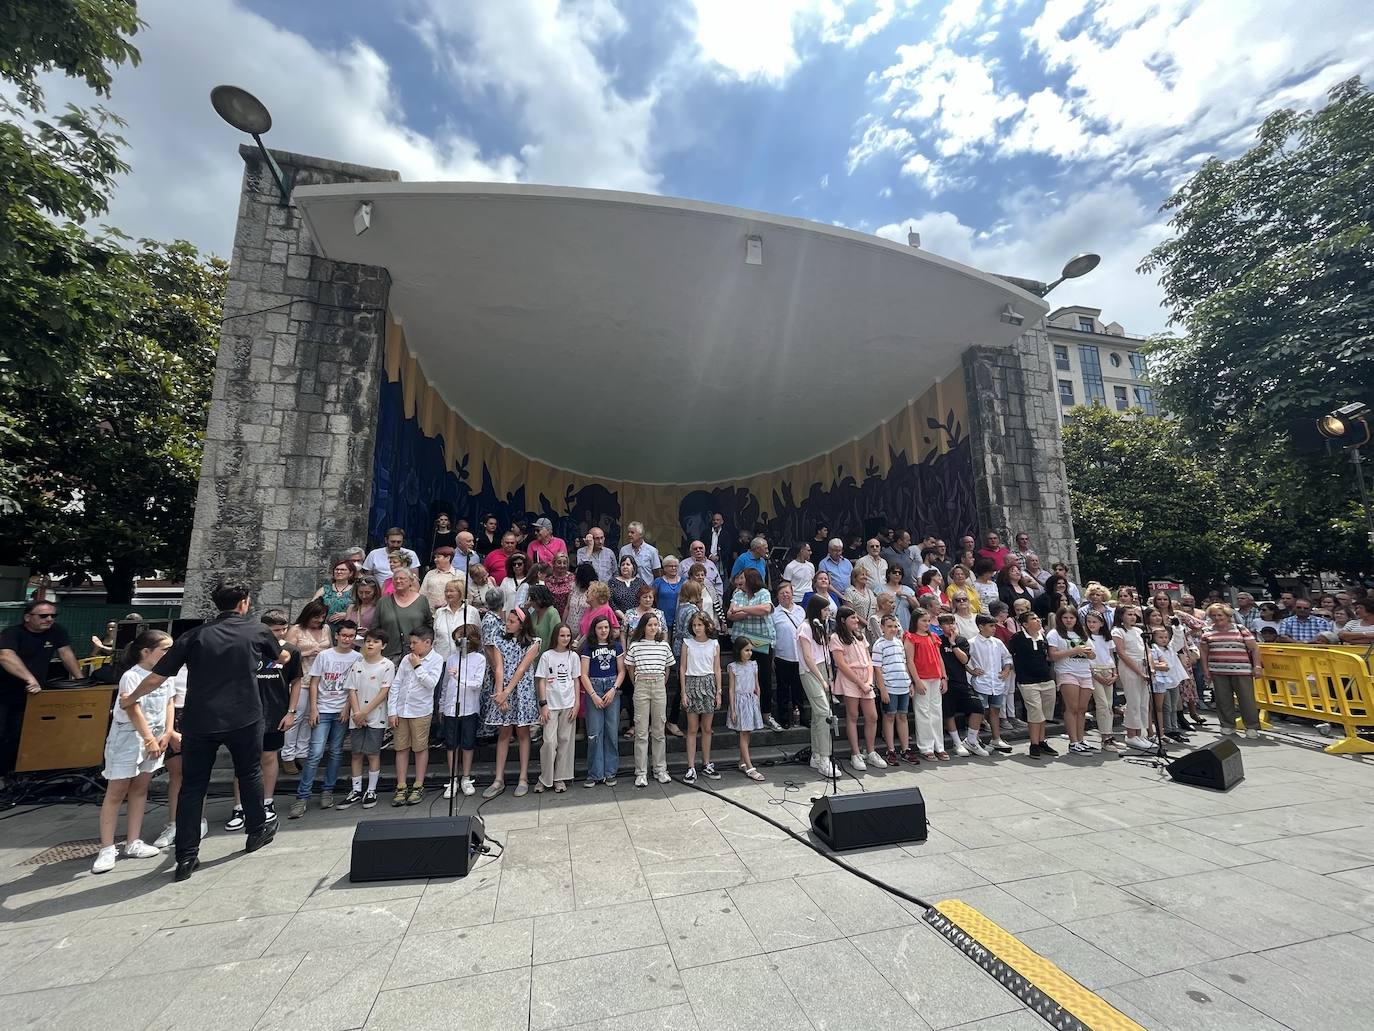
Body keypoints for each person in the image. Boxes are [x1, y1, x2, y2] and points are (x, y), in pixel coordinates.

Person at [121, 579, 286, 881]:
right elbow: (278, 656)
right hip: (244, 716)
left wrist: (132, 698)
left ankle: (186, 854)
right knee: (248, 773)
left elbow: (158, 676)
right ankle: (257, 830)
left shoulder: (194, 636)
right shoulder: (256, 631)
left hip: (201, 719)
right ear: (244, 603)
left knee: (193, 785)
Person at [93, 629, 175, 874]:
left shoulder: (166, 675)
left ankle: (133, 840)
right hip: (130, 737)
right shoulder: (131, 676)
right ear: (146, 652)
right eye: (165, 650)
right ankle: (107, 847)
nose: (169, 655)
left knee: (140, 788)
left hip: (157, 735)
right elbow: (133, 708)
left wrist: (168, 732)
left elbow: (170, 702)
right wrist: (149, 738)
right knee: (117, 790)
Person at [225, 610, 303, 831]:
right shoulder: (249, 648)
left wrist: (291, 711)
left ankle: (267, 802)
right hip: (247, 711)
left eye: (281, 629)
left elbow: (296, 682)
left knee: (269, 758)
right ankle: (239, 806)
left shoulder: (291, 651)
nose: (278, 634)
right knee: (244, 760)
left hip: (276, 711)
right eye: (273, 630)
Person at [1, 598, 83, 775]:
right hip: (4, 691)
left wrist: (80, 680)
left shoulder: (56, 631)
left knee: (19, 734)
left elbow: (65, 653)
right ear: (27, 617)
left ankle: (12, 773)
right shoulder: (12, 633)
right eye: (44, 615)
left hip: (30, 694)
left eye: (53, 615)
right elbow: (6, 656)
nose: (49, 619)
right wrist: (29, 679)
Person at [290, 622, 361, 817]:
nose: (347, 639)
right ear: (336, 636)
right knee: (315, 752)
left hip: (341, 711)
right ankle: (302, 796)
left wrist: (347, 708)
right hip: (322, 709)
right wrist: (313, 708)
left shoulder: (358, 657)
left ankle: (327, 790)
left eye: (351, 636)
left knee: (336, 751)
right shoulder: (324, 655)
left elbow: (354, 687)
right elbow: (314, 683)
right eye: (344, 635)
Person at [483, 606, 541, 798]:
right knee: (504, 732)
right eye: (507, 621)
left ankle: (523, 777)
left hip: (521, 691)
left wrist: (506, 692)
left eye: (512, 622)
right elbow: (498, 668)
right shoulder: (500, 641)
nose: (507, 624)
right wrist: (499, 693)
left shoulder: (533, 643)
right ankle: (498, 779)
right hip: (504, 691)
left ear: (522, 624)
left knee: (522, 732)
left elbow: (522, 669)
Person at [387, 626, 444, 806]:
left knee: (420, 747)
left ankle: (418, 784)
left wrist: (418, 666)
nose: (411, 646)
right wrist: (392, 710)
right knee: (401, 747)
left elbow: (431, 684)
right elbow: (396, 684)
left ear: (427, 642)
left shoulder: (436, 659)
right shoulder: (406, 659)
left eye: (414, 643)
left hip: (420, 710)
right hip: (402, 709)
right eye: (410, 642)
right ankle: (401, 785)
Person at [339, 628, 393, 808]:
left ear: (383, 645)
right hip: (357, 715)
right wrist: (356, 712)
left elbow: (383, 692)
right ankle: (356, 789)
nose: (370, 644)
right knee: (356, 753)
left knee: (372, 753)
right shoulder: (357, 664)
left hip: (376, 715)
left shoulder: (387, 665)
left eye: (375, 641)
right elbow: (351, 689)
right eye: (368, 641)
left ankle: (371, 789)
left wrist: (365, 712)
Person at [829, 605, 885, 772]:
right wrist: (859, 683)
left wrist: (868, 680)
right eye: (852, 617)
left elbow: (868, 659)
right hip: (850, 678)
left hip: (865, 678)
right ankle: (855, 753)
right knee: (852, 715)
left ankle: (871, 751)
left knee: (872, 716)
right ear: (843, 620)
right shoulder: (836, 637)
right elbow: (841, 664)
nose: (856, 620)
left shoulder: (860, 637)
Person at [1199, 604, 1263, 739]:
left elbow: (1254, 648)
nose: (1217, 618)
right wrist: (1206, 670)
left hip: (1242, 670)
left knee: (1247, 700)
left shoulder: (1241, 629)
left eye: (1220, 615)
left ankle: (1251, 726)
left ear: (1228, 616)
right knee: (1223, 700)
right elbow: (1204, 652)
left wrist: (1257, 667)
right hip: (1218, 670)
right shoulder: (1206, 631)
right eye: (1213, 615)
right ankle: (1227, 725)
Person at [729, 568, 780, 731]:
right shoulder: (737, 593)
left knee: (764, 678)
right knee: (742, 679)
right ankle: (744, 713)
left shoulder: (763, 592)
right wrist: (750, 611)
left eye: (742, 577)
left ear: (751, 579)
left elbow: (765, 610)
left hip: (762, 641)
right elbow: (731, 615)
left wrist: (742, 609)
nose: (739, 581)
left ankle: (766, 713)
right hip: (742, 641)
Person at [626, 613, 675, 787]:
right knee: (640, 730)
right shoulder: (635, 646)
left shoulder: (664, 646)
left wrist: (660, 681)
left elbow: (668, 668)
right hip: (641, 685)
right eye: (649, 625)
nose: (653, 628)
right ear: (643, 627)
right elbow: (630, 667)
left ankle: (660, 769)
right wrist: (638, 682)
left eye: (655, 625)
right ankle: (641, 772)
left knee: (659, 729)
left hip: (659, 685)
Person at [676, 610, 723, 784]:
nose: (697, 628)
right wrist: (683, 691)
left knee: (707, 728)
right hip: (692, 683)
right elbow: (682, 668)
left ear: (706, 625)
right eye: (695, 625)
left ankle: (706, 763)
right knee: (692, 728)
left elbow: (717, 669)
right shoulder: (687, 643)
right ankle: (691, 767)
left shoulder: (714, 644)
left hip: (709, 683)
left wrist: (718, 691)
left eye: (700, 625)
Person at [534, 624, 579, 793]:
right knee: (549, 742)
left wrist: (577, 704)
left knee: (565, 741)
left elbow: (576, 680)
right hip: (551, 705)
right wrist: (543, 704)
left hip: (568, 703)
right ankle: (545, 778)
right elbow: (541, 681)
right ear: (556, 636)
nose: (565, 638)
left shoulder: (573, 656)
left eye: (568, 635)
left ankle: (560, 777)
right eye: (562, 635)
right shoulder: (547, 656)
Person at [580, 614, 624, 786]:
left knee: (611, 730)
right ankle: (595, 773)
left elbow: (621, 671)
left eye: (606, 627)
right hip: (594, 688)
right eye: (600, 627)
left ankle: (610, 771)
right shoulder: (588, 648)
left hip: (611, 687)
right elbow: (584, 674)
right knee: (594, 732)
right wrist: (592, 695)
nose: (603, 630)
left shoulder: (617, 647)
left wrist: (614, 689)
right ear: (594, 629)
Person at [797, 595, 837, 778]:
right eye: (825, 609)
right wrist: (821, 678)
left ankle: (816, 754)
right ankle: (824, 758)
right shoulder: (805, 627)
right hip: (810, 671)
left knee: (817, 716)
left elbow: (824, 654)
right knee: (824, 713)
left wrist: (828, 675)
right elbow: (807, 657)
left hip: (821, 668)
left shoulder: (820, 627)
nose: (827, 613)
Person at [1047, 607, 1097, 755]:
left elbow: (1093, 655)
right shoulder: (1054, 634)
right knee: (1072, 707)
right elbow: (1053, 655)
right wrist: (1074, 650)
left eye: (1072, 618)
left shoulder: (1082, 633)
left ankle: (1081, 739)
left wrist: (1088, 652)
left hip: (1084, 672)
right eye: (1065, 618)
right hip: (1067, 672)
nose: (1069, 621)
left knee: (1082, 708)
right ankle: (1073, 741)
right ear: (1060, 619)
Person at [1008, 611, 1057, 759]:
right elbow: (1010, 655)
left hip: (1046, 679)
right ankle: (1034, 744)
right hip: (1028, 681)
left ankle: (1042, 741)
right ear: (1025, 624)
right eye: (1033, 619)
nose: (1037, 620)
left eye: (1037, 618)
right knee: (1035, 712)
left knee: (1044, 713)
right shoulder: (1018, 638)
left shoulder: (1043, 638)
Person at [938, 613, 987, 757]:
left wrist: (953, 644)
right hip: (946, 683)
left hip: (961, 681)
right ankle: (956, 742)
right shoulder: (938, 641)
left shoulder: (961, 641)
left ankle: (971, 741)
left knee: (978, 707)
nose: (950, 626)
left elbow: (964, 660)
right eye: (946, 623)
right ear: (941, 627)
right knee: (949, 712)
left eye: (952, 622)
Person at [904, 611, 947, 761]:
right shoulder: (911, 637)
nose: (927, 623)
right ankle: (926, 747)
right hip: (922, 678)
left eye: (928, 621)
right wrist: (916, 681)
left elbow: (939, 658)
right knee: (923, 712)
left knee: (936, 712)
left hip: (935, 677)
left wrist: (944, 677)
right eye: (923, 621)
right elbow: (909, 661)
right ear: (916, 621)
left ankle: (939, 746)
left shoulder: (933, 637)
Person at [968, 614, 1014, 753]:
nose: (994, 628)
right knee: (979, 711)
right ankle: (973, 739)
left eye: (994, 625)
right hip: (982, 683)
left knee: (995, 710)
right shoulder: (972, 643)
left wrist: (1006, 670)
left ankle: (996, 738)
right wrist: (971, 670)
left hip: (997, 682)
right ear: (981, 627)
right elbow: (965, 660)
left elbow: (1007, 658)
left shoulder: (998, 643)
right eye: (991, 626)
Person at [873, 613, 914, 765]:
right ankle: (890, 750)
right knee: (889, 716)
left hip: (903, 684)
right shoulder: (879, 644)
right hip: (890, 686)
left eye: (895, 626)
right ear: (882, 627)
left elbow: (904, 663)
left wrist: (909, 683)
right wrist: (882, 689)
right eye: (889, 626)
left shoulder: (898, 642)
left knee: (902, 716)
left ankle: (905, 749)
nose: (893, 629)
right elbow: (877, 668)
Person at [374, 568, 433, 665]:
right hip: (390, 653)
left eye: (402, 578)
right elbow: (376, 628)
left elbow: (429, 625)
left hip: (417, 654)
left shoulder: (422, 600)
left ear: (410, 581)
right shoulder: (383, 602)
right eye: (395, 579)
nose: (398, 581)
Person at [1112, 606, 1151, 750]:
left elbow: (1147, 650)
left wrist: (1150, 667)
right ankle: (1131, 734)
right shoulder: (1118, 631)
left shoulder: (1139, 631)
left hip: (1143, 664)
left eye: (1134, 615)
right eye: (1129, 614)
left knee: (1143, 702)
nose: (1133, 617)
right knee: (1133, 700)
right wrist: (1139, 672)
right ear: (1121, 616)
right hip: (1129, 666)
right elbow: (1122, 653)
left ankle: (1141, 733)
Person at [770, 582, 806, 729]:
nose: (785, 595)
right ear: (777, 596)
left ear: (792, 593)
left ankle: (801, 717)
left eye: (788, 592)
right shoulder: (774, 613)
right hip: (782, 656)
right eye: (782, 593)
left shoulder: (800, 610)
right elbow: (772, 637)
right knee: (783, 689)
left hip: (800, 656)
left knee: (799, 689)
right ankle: (783, 718)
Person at [1084, 611, 1120, 751]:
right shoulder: (1086, 637)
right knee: (1102, 704)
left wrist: (1115, 673)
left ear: (1101, 623)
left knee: (1109, 705)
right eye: (1089, 621)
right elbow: (1087, 659)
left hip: (1108, 669)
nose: (1091, 624)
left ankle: (1109, 735)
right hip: (1095, 671)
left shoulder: (1106, 637)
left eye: (1094, 622)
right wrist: (1095, 674)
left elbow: (1110, 655)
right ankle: (1104, 739)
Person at [1146, 627, 1181, 749]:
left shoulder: (1166, 649)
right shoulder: (1151, 648)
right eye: (1160, 637)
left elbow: (1165, 664)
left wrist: (1159, 665)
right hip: (1151, 679)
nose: (1164, 640)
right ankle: (1150, 733)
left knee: (1159, 708)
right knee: (1149, 708)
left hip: (1162, 680)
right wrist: (1157, 665)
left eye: (1165, 637)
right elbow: (1148, 662)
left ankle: (1161, 734)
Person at [433, 580, 482, 661]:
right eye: (446, 591)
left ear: (460, 592)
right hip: (442, 660)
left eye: (451, 591)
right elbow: (435, 637)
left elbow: (478, 636)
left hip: (465, 660)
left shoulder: (471, 611)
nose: (448, 594)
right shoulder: (439, 612)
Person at [312, 558, 358, 628]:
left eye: (343, 570)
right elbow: (312, 606)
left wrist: (347, 615)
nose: (339, 572)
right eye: (337, 569)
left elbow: (362, 609)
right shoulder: (325, 589)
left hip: (345, 629)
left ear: (351, 573)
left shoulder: (355, 590)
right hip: (323, 627)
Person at [653, 556, 686, 644]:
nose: (674, 568)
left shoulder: (684, 582)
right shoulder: (658, 582)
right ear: (665, 568)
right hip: (663, 619)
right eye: (671, 566)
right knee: (664, 644)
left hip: (679, 620)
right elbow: (653, 598)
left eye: (676, 566)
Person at [421, 547, 463, 611]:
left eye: (438, 557)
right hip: (430, 614)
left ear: (448, 558)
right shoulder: (430, 574)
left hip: (451, 613)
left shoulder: (459, 575)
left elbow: (464, 596)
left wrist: (447, 604)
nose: (435, 559)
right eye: (435, 557)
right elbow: (422, 594)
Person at [564, 562, 598, 640]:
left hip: (584, 634)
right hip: (569, 630)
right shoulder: (573, 586)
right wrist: (563, 625)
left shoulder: (594, 590)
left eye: (576, 575)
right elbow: (567, 607)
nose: (574, 577)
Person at [844, 566, 880, 633]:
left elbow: (876, 608)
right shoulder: (849, 591)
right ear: (855, 577)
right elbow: (850, 612)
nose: (865, 577)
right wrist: (867, 624)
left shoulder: (870, 592)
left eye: (866, 575)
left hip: (872, 629)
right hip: (858, 629)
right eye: (862, 574)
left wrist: (874, 624)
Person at [884, 565, 917, 632]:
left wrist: (906, 595)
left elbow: (917, 606)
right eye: (894, 572)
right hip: (887, 621)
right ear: (888, 574)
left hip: (905, 620)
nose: (897, 574)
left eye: (900, 573)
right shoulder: (880, 589)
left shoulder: (907, 589)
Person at [545, 551, 576, 618]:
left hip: (569, 615)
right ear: (554, 563)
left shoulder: (573, 578)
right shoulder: (547, 580)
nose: (562, 565)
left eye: (564, 563)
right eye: (559, 563)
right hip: (551, 615)